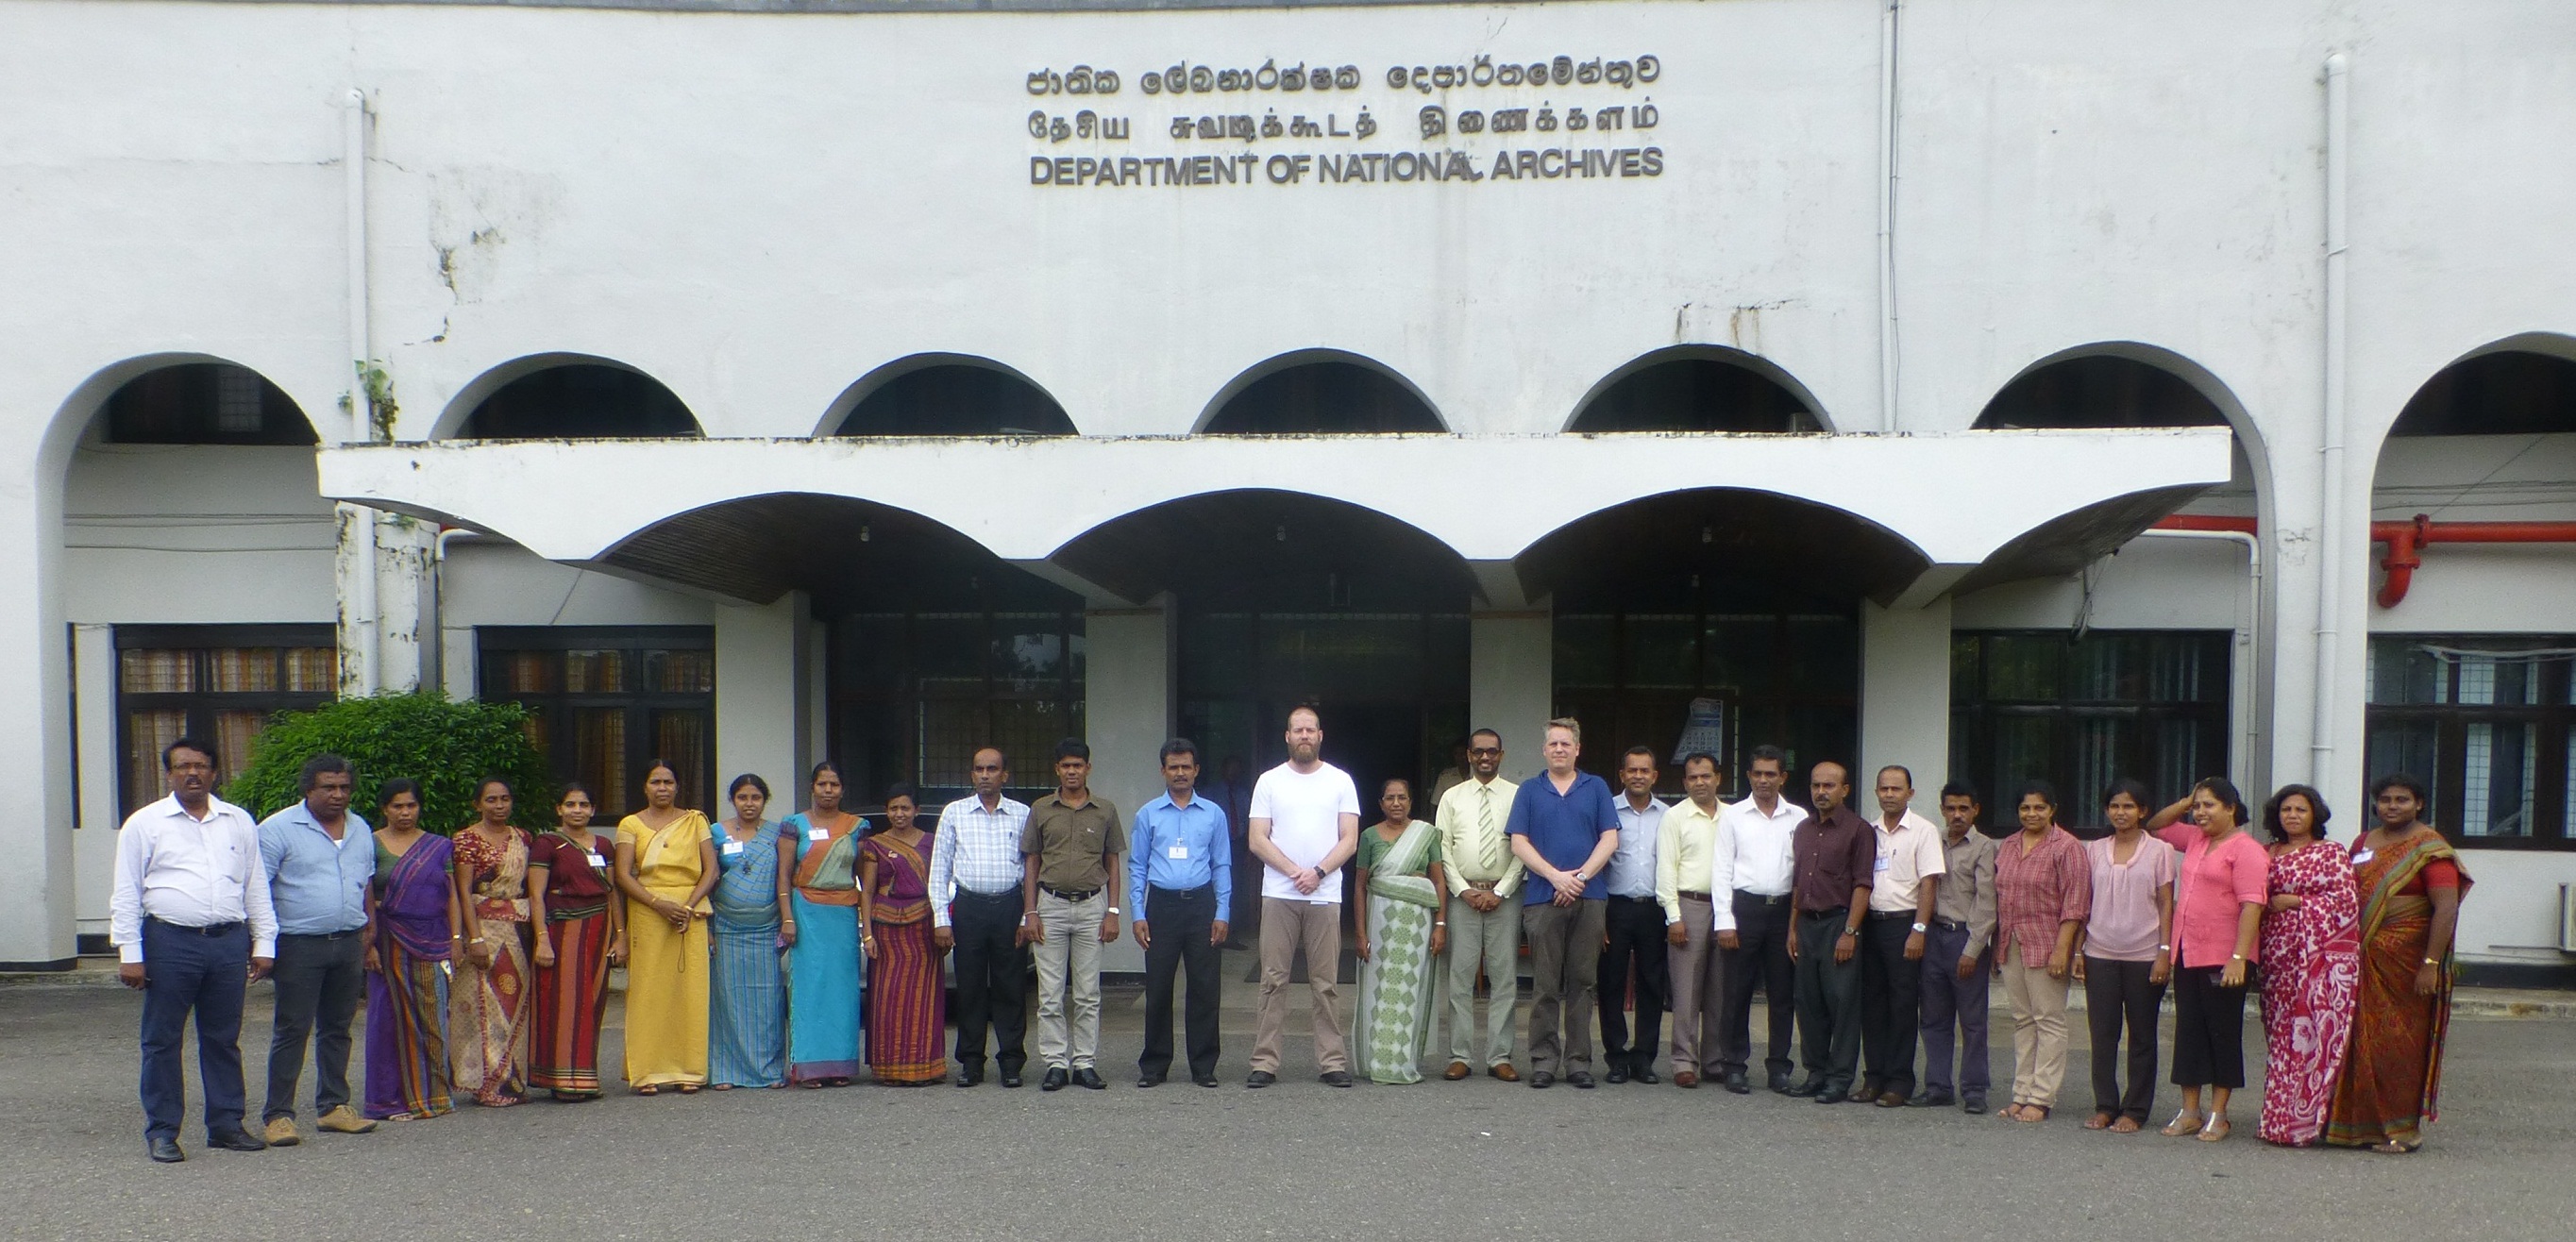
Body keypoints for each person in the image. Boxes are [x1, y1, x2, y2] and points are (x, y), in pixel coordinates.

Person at [111, 737, 278, 1163]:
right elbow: (126, 891)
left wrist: (264, 942)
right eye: (183, 766)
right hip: (170, 941)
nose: (192, 773)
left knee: (223, 1039)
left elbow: (254, 884)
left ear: (214, 773)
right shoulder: (145, 824)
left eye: (201, 766)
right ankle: (163, 1131)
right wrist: (130, 951)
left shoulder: (237, 821)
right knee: (162, 1040)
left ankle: (225, 1125)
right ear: (168, 774)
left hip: (227, 942)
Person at [2323, 773, 2470, 1153]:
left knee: (2398, 1045)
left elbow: (2446, 907)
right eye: (2385, 799)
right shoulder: (2363, 842)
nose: (2392, 806)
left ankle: (2402, 1131)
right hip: (2358, 958)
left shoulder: (2430, 848)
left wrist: (2431, 964)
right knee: (2353, 1039)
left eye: (2402, 800)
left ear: (2419, 804)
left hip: (2406, 964)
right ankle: (2352, 1127)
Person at [255, 752, 378, 1145]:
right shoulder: (278, 829)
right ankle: (278, 1116)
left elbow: (367, 884)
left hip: (347, 943)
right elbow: (257, 888)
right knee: (293, 1029)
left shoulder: (360, 828)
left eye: (344, 787)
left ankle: (333, 1107)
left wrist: (369, 930)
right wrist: (261, 944)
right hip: (299, 945)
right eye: (328, 787)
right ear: (308, 788)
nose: (337, 795)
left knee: (338, 1029)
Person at [1246, 705, 1363, 1088]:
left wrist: (1318, 872)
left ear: (1320, 735)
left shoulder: (1341, 781)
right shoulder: (1269, 781)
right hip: (1279, 893)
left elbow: (1350, 838)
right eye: (1297, 730)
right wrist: (1295, 871)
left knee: (1325, 983)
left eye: (1310, 730)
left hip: (1325, 894)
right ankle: (1264, 1062)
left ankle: (1332, 1063)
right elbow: (1257, 839)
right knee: (1273, 980)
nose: (1304, 736)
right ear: (1287, 736)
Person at [2146, 777, 2268, 1141]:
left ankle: (2219, 1114)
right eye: (2198, 806)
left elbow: (2252, 905)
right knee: (2189, 1032)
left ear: (2231, 808)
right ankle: (2190, 1111)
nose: (2201, 812)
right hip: (2189, 951)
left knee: (2222, 1033)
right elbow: (2156, 826)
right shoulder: (2196, 839)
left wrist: (2238, 958)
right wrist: (2186, 801)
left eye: (2209, 805)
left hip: (2224, 957)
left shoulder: (2246, 850)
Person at [1507, 717, 1621, 1089]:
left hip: (1589, 898)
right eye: (1553, 744)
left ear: (1577, 749)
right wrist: (1557, 877)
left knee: (1583, 983)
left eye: (1565, 744)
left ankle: (1578, 1062)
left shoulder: (1597, 787)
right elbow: (1518, 842)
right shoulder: (1529, 790)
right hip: (1543, 897)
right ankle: (1543, 1060)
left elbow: (1609, 839)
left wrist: (1580, 878)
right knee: (1544, 984)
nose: (1559, 749)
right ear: (1544, 750)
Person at [2254, 784, 2359, 1147]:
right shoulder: (2267, 853)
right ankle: (2277, 1119)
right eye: (2286, 810)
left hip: (2317, 961)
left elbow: (2345, 903)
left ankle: (2306, 1122)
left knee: (2309, 1036)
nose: (2293, 816)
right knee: (2280, 1037)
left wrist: (2296, 902)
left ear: (2314, 814)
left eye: (2300, 809)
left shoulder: (2331, 854)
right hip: (2276, 956)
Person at [1022, 738, 1125, 1091]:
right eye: (1065, 766)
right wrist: (1030, 912)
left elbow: (1112, 861)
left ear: (1087, 769)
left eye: (1077, 765)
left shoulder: (1105, 810)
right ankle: (1054, 1062)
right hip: (1049, 905)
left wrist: (1112, 911)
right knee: (1050, 993)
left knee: (1087, 993)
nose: (1071, 771)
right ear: (1057, 769)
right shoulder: (1040, 809)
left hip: (1091, 906)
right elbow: (1031, 861)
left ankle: (1084, 1062)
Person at [1128, 738, 1232, 1088]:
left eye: (1186, 766)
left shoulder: (1214, 814)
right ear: (1163, 771)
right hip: (1161, 906)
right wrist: (1137, 914)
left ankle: (1203, 1066)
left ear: (1196, 770)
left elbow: (1222, 865)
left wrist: (1223, 912)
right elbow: (1137, 867)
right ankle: (1155, 1066)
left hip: (1202, 905)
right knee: (1158, 989)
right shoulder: (1148, 814)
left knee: (1204, 989)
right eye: (1173, 767)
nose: (1180, 773)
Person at [2072, 780, 2175, 1133]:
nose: (2121, 813)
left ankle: (2135, 1110)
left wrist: (2164, 953)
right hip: (2099, 952)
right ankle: (2105, 1105)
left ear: (2143, 811)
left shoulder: (2159, 851)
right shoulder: (2094, 849)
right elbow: (2084, 903)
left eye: (2129, 806)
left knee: (2142, 1035)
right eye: (2115, 806)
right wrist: (2078, 950)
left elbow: (2165, 903)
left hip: (2144, 953)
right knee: (2102, 1034)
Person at [931, 747, 1034, 1088]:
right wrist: (941, 918)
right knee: (970, 987)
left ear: (1005, 775)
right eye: (979, 769)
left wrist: (1024, 918)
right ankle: (972, 1061)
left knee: (1011, 987)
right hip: (969, 907)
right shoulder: (955, 813)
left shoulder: (1022, 814)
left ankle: (1011, 1062)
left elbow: (1032, 869)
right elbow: (939, 869)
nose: (985, 775)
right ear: (971, 774)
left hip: (1009, 906)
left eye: (992, 769)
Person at [614, 761, 716, 1096]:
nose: (662, 788)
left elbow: (710, 870)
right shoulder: (630, 824)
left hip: (690, 912)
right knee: (647, 992)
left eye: (668, 782)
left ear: (677, 787)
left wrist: (687, 905)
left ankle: (691, 1071)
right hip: (647, 910)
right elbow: (623, 874)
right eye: (655, 781)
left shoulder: (695, 820)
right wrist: (658, 904)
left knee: (690, 993)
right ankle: (647, 1072)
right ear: (645, 787)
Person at [1992, 780, 2090, 1123]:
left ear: (2052, 810)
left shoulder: (2067, 847)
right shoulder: (2008, 845)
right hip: (2011, 942)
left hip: (2048, 943)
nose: (2031, 814)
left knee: (2049, 1020)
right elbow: (2000, 898)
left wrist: (2064, 949)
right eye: (2025, 808)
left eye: (2039, 808)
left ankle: (2042, 1096)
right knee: (2022, 1019)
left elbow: (2075, 904)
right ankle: (2021, 1093)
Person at [1711, 744, 1805, 1095]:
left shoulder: (1798, 818)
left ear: (1783, 777)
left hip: (1783, 912)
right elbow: (1721, 869)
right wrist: (1725, 921)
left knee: (1783, 994)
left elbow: (1801, 873)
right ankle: (1734, 1065)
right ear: (1748, 776)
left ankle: (1779, 1068)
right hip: (1744, 909)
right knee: (1736, 993)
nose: (1764, 780)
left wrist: (1797, 924)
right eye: (1758, 774)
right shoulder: (1733, 816)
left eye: (1771, 774)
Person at [362, 779, 456, 1122]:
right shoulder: (370, 844)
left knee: (431, 1016)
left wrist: (457, 939)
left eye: (411, 805)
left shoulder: (439, 846)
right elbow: (364, 893)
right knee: (386, 1019)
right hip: (387, 939)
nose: (405, 812)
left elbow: (452, 896)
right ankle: (387, 1101)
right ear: (385, 808)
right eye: (397, 806)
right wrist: (367, 943)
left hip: (432, 937)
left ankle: (432, 1096)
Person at [1434, 728, 1523, 1082]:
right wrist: (1462, 890)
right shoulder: (1451, 797)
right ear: (1468, 756)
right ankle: (1461, 1056)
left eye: (1492, 752)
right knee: (1459, 980)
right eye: (1478, 752)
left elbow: (1523, 847)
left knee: (1505, 981)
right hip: (1463, 898)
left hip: (1505, 898)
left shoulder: (1518, 796)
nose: (1485, 757)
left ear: (1501, 755)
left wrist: (1500, 890)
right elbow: (1441, 848)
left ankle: (1499, 1056)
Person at [527, 782, 625, 1101]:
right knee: (565, 1003)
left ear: (593, 810)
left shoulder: (604, 846)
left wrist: (620, 937)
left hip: (598, 929)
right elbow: (536, 896)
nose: (577, 810)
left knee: (592, 1001)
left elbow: (612, 893)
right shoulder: (547, 844)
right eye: (570, 804)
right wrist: (542, 939)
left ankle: (585, 1076)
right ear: (559, 809)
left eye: (583, 805)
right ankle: (562, 1079)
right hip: (562, 929)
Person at [1783, 761, 1873, 1104]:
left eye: (1829, 786)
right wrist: (1792, 929)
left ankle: (1839, 1078)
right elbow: (1797, 883)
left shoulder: (1858, 830)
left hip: (1839, 923)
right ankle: (1815, 1072)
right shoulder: (1804, 829)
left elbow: (1863, 885)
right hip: (1806, 924)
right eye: (1816, 785)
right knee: (1808, 1003)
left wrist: (1850, 931)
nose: (1821, 792)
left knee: (1843, 1004)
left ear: (1845, 790)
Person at [1856, 764, 1944, 1108]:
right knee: (1872, 1005)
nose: (1889, 795)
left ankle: (1899, 1082)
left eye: (1896, 789)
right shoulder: (1868, 830)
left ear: (1910, 793)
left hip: (1905, 925)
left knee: (1903, 1005)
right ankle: (1873, 1079)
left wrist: (1919, 930)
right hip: (1870, 925)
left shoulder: (1924, 830)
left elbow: (1929, 883)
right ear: (1876, 792)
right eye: (1884, 789)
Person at [1353, 778, 1448, 1084]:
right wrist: (1360, 933)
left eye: (1402, 798)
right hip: (1379, 922)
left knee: (1408, 989)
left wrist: (1440, 924)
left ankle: (1405, 1062)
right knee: (1380, 992)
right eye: (1390, 798)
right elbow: (1360, 885)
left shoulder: (1426, 835)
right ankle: (1379, 1062)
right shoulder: (1368, 836)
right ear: (1381, 803)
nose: (1396, 803)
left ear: (1410, 802)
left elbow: (1439, 881)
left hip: (1417, 927)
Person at [778, 761, 865, 1087]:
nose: (828, 791)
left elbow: (862, 880)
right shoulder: (794, 825)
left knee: (842, 990)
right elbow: (784, 876)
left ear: (842, 790)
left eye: (835, 785)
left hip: (842, 915)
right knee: (809, 988)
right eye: (822, 785)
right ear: (812, 788)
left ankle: (840, 1066)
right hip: (806, 913)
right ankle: (809, 1066)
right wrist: (787, 917)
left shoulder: (856, 827)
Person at [449, 777, 533, 1108]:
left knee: (515, 1004)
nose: (499, 806)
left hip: (519, 930)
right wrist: (474, 938)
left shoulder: (522, 838)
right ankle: (487, 1084)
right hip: (483, 927)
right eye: (491, 800)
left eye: (505, 799)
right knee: (485, 1007)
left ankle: (512, 1079)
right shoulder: (466, 840)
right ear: (477, 804)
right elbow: (463, 893)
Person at [1915, 780, 1998, 1114]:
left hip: (1965, 938)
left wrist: (1973, 948)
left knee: (1973, 1021)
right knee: (1934, 1018)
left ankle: (1975, 1089)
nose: (1957, 815)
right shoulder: (1931, 841)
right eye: (1950, 808)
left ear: (1975, 810)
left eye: (1964, 808)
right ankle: (1938, 1086)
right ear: (1942, 810)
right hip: (1933, 935)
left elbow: (1987, 901)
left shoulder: (1983, 847)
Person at [861, 783, 949, 1085]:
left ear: (917, 811)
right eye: (893, 808)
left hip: (924, 927)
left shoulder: (932, 843)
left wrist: (943, 925)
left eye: (905, 808)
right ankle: (890, 1068)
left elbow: (940, 886)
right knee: (887, 999)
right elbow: (868, 892)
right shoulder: (875, 845)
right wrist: (868, 935)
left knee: (924, 999)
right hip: (886, 930)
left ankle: (925, 1067)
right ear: (887, 811)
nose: (899, 814)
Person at [707, 774, 787, 1089]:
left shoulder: (777, 832)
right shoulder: (716, 832)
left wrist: (785, 922)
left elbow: (784, 878)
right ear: (733, 800)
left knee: (767, 1002)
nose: (749, 804)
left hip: (766, 929)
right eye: (743, 798)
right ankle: (726, 1072)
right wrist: (708, 927)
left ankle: (768, 1071)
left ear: (764, 800)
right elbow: (709, 878)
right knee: (727, 1002)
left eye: (755, 798)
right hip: (726, 927)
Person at [1655, 752, 1726, 1088]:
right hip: (1689, 906)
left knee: (1719, 989)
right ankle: (1684, 1061)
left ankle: (1714, 1060)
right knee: (1686, 990)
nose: (1700, 782)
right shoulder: (1675, 817)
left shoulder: (1733, 815)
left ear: (1718, 779)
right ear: (1685, 783)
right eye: (1693, 777)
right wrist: (1674, 917)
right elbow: (1666, 869)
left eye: (1706, 776)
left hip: (1726, 907)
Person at [1598, 747, 1667, 1084]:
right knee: (1610, 982)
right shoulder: (1606, 811)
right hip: (1615, 907)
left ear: (1655, 776)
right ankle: (1616, 1058)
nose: (1638, 775)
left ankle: (1644, 1058)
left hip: (1654, 909)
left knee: (1652, 984)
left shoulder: (1668, 815)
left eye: (1645, 770)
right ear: (1622, 775)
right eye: (1632, 770)